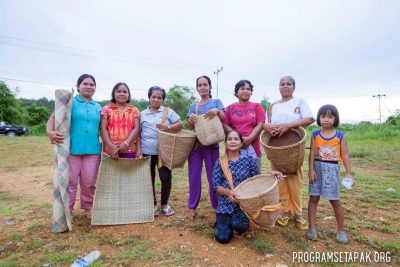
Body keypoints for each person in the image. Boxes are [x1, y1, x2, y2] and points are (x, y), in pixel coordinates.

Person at [212, 131, 283, 244]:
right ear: (226, 143)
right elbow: (216, 185)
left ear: (241, 143)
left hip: (245, 204)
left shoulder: (249, 160)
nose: (233, 141)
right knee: (223, 238)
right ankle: (223, 220)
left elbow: (256, 179)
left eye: (236, 139)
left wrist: (271, 174)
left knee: (240, 225)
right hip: (226, 202)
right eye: (230, 139)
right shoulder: (220, 162)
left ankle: (240, 223)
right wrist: (228, 193)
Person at [263, 75, 314, 230]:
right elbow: (266, 124)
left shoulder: (300, 102)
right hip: (276, 147)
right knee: (280, 180)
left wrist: (288, 125)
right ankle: (285, 212)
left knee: (295, 180)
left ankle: (298, 214)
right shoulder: (273, 106)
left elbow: (310, 118)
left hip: (294, 147)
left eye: (288, 84)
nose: (285, 86)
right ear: (279, 87)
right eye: (282, 84)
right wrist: (268, 128)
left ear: (293, 87)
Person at [46, 74, 101, 217]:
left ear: (95, 88)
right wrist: (50, 132)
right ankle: (67, 210)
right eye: (85, 84)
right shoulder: (69, 103)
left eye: (92, 84)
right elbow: (53, 118)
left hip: (93, 151)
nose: (89, 86)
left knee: (89, 183)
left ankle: (88, 208)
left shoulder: (99, 107)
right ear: (78, 86)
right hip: (71, 150)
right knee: (69, 183)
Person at [307, 104, 355, 244]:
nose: (326, 119)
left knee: (335, 201)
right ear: (319, 118)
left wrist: (349, 173)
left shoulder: (341, 136)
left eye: (330, 116)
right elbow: (312, 153)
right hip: (317, 169)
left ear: (335, 118)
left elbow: (345, 155)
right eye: (323, 116)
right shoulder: (315, 134)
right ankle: (312, 229)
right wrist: (311, 169)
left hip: (332, 170)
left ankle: (341, 230)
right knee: (313, 199)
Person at [140, 86, 183, 217]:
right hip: (146, 152)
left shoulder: (168, 112)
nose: (156, 99)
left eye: (159, 97)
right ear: (149, 97)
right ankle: (152, 204)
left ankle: (165, 204)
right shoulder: (142, 114)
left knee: (166, 178)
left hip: (163, 152)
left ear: (163, 99)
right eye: (154, 97)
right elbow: (138, 132)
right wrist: (138, 150)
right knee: (149, 179)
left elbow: (180, 124)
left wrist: (168, 127)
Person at [186, 75, 225, 219]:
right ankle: (192, 207)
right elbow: (191, 126)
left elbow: (224, 118)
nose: (203, 87)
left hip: (212, 145)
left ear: (210, 87)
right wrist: (191, 120)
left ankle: (216, 205)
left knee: (213, 177)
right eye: (200, 85)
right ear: (197, 88)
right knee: (194, 176)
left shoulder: (216, 102)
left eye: (205, 85)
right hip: (196, 146)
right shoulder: (193, 105)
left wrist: (217, 111)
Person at [223, 80, 265, 171]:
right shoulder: (229, 108)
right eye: (242, 89)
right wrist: (238, 139)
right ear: (236, 92)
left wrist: (249, 139)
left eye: (248, 89)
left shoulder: (257, 106)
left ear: (251, 92)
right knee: (233, 176)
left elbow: (260, 124)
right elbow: (225, 124)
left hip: (252, 146)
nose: (245, 91)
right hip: (233, 146)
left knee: (254, 178)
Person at [100, 82, 141, 159]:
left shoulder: (134, 110)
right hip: (111, 150)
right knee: (111, 171)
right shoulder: (106, 109)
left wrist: (126, 143)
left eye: (125, 92)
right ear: (113, 94)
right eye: (119, 91)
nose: (122, 94)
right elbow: (103, 129)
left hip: (129, 149)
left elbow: (136, 129)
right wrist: (111, 147)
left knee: (128, 170)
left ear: (128, 95)